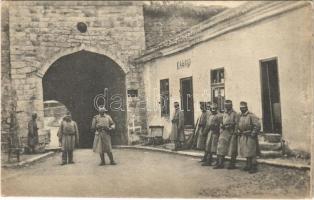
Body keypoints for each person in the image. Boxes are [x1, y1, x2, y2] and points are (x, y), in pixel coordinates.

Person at [237, 101, 261, 174]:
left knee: (252, 151)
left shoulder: (251, 115)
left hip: (250, 136)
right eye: (241, 108)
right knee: (246, 151)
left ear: (246, 108)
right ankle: (248, 165)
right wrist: (239, 130)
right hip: (243, 135)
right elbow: (238, 124)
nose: (242, 109)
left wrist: (253, 133)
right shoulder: (240, 115)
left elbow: (257, 125)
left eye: (243, 108)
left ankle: (254, 167)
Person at [214, 100, 238, 169]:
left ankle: (232, 164)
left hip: (231, 133)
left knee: (232, 149)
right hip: (224, 133)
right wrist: (221, 128)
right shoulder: (224, 113)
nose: (226, 107)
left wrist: (235, 132)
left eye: (228, 105)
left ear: (231, 105)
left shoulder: (235, 114)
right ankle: (220, 163)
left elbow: (236, 124)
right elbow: (222, 122)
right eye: (225, 105)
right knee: (221, 148)